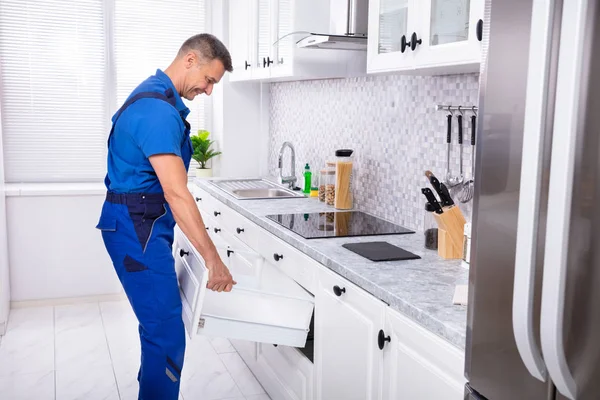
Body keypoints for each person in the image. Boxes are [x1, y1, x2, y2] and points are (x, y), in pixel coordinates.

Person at [95, 33, 235, 400]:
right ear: (190, 60)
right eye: (209, 81)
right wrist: (213, 259)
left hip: (137, 223)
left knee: (157, 327)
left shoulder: (159, 98)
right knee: (166, 332)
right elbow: (175, 192)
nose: (208, 91)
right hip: (135, 226)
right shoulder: (158, 111)